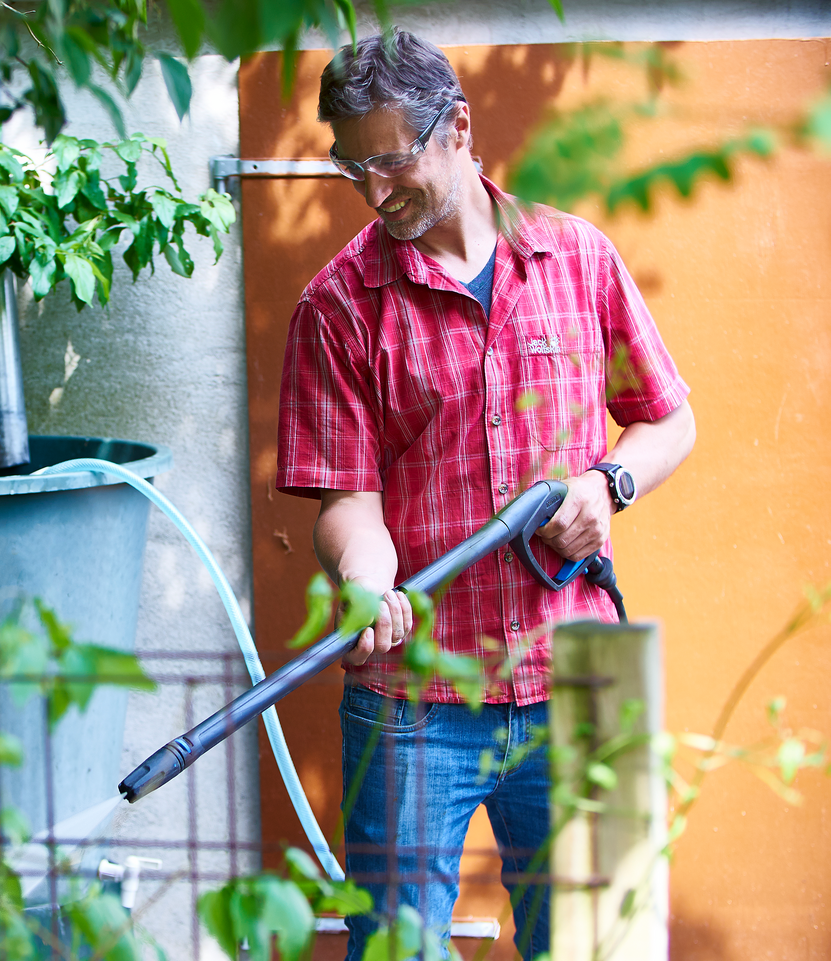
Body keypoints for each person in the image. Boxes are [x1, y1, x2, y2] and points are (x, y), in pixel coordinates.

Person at [275, 30, 696, 960]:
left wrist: (609, 481)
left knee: (599, 943)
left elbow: (670, 421)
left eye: (391, 159)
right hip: (413, 697)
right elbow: (350, 503)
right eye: (354, 167)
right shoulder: (338, 306)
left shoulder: (577, 257)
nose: (374, 191)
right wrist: (363, 579)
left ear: (458, 128)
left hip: (577, 667)